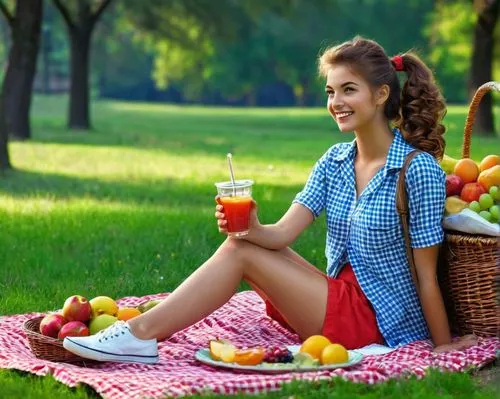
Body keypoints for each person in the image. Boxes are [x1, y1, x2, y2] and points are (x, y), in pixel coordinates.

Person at [63, 37, 477, 364]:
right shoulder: (335, 161)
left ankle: (140, 335)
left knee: (244, 255)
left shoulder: (416, 170)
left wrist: (442, 346)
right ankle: (142, 333)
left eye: (348, 90)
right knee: (241, 243)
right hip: (337, 295)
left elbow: (427, 274)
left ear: (382, 94)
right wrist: (253, 226)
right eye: (331, 91)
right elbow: (281, 234)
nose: (336, 103)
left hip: (377, 321)